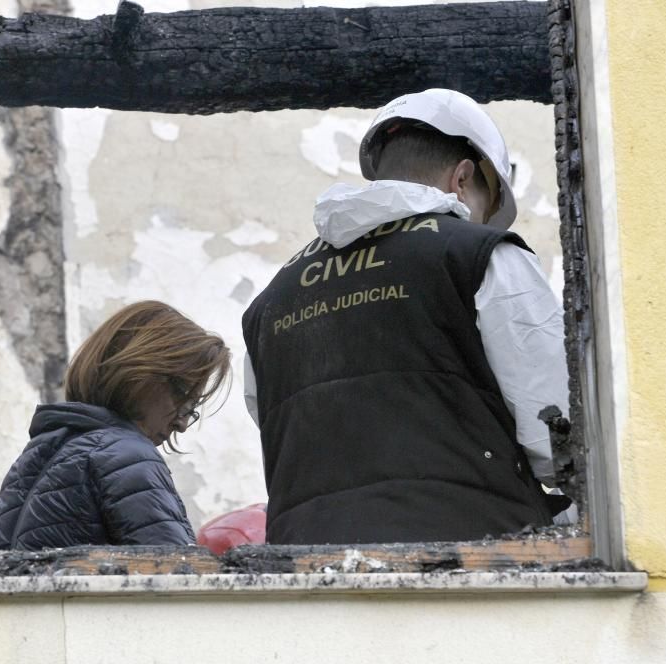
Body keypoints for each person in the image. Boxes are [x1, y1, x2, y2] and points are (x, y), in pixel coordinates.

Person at [242, 89, 572, 545]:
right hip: (469, 562)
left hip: (310, 575)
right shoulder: (478, 256)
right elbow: (558, 434)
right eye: (485, 206)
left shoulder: (270, 301)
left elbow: (280, 428)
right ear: (462, 178)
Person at [0, 300, 231, 550]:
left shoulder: (38, 455)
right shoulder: (126, 454)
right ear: (139, 373)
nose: (182, 423)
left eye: (192, 408)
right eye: (182, 395)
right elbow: (180, 579)